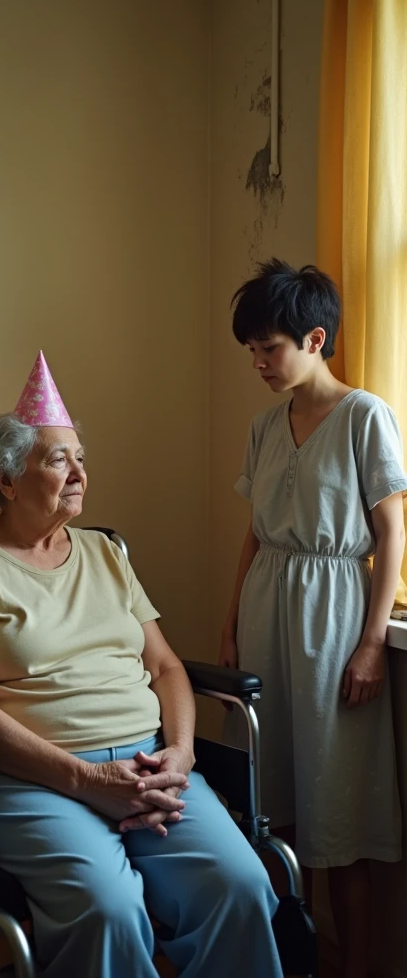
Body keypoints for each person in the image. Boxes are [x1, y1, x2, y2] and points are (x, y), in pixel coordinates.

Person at [0, 351, 283, 978]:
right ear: (7, 479)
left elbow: (164, 668)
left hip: (148, 762)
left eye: (81, 457)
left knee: (240, 884)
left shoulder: (106, 552)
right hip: (23, 776)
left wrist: (181, 754)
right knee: (109, 910)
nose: (79, 471)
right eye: (58, 458)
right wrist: (85, 781)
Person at [219, 261, 407, 978]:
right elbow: (256, 532)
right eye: (254, 352)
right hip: (269, 606)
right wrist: (233, 622)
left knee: (340, 807)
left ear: (315, 338)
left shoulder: (365, 415)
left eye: (270, 348)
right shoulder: (265, 427)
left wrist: (370, 644)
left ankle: (354, 966)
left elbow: (390, 531)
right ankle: (288, 960)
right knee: (277, 799)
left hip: (335, 616)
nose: (260, 364)